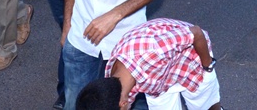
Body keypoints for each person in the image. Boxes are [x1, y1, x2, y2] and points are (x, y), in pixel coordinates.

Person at [76, 18, 221, 110]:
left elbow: (196, 33)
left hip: (189, 61)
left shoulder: (154, 50)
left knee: (208, 107)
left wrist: (208, 66)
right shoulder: (112, 87)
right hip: (157, 82)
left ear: (122, 104)